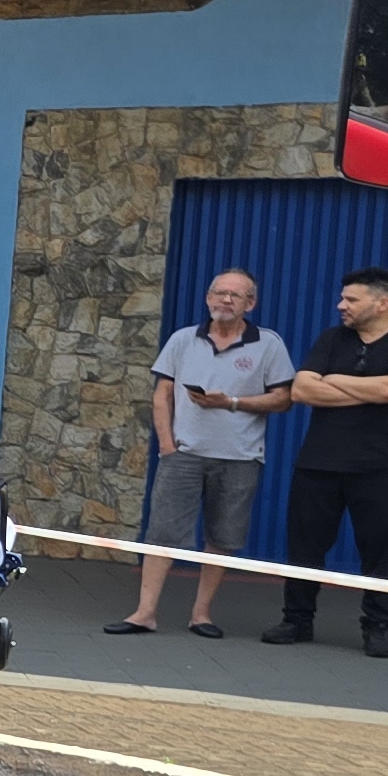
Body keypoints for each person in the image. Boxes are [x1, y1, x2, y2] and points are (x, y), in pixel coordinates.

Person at [112, 268, 292, 637]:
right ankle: (144, 613)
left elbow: (283, 398)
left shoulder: (269, 344)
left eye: (235, 295)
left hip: (240, 457)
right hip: (183, 455)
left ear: (250, 304)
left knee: (222, 537)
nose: (225, 300)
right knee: (161, 532)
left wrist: (232, 402)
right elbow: (162, 394)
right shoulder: (182, 340)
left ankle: (201, 614)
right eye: (219, 293)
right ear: (208, 298)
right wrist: (166, 444)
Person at [270, 265, 388, 653]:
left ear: (382, 303)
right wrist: (371, 389)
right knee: (304, 547)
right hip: (318, 463)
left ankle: (379, 627)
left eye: (351, 299)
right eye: (343, 298)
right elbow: (302, 390)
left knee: (382, 551)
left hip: (379, 466)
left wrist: (334, 380)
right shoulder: (332, 339)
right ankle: (297, 621)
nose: (342, 305)